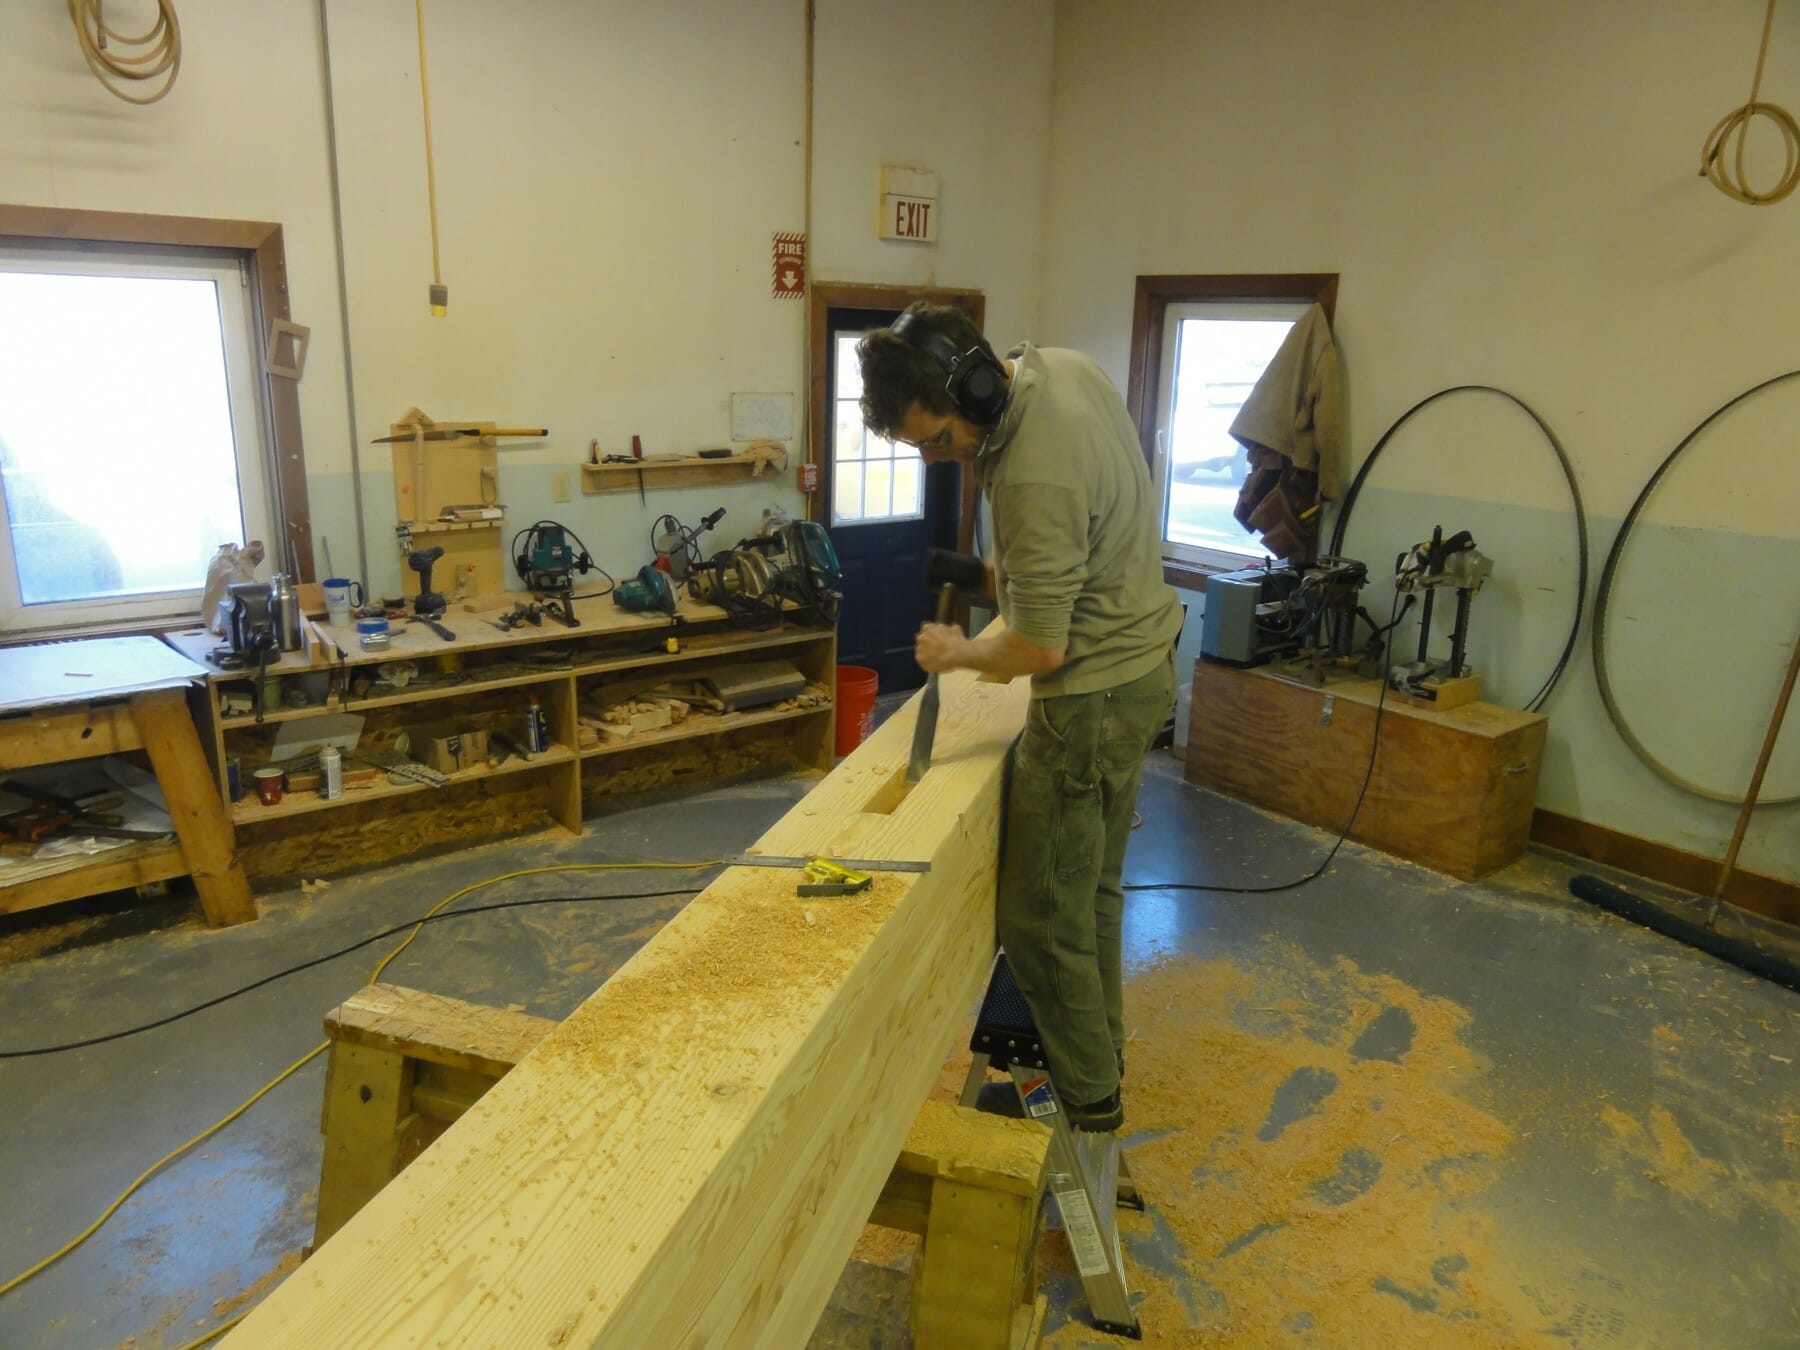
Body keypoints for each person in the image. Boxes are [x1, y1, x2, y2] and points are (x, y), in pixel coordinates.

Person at [857, 303, 1183, 1131]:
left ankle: (1086, 1106)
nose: (937, 459)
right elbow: (1076, 544)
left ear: (970, 388)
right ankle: (1100, 1061)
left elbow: (1040, 648)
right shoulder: (1064, 368)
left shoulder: (1031, 472)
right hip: (1145, 663)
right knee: (1093, 895)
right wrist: (983, 574)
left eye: (937, 440)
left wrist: (955, 653)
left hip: (1092, 699)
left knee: (1040, 922)